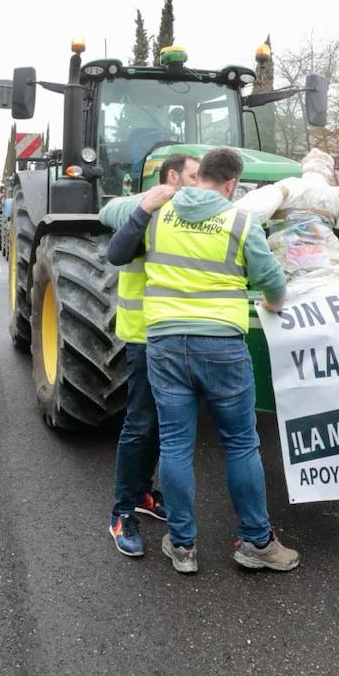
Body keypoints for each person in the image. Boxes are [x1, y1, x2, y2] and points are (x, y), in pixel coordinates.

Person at [104, 148, 297, 576]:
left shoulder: (158, 215)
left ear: (201, 176)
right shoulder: (240, 221)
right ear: (231, 184)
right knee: (241, 443)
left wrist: (142, 206)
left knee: (174, 444)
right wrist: (272, 301)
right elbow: (273, 282)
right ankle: (256, 541)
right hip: (222, 346)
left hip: (166, 345)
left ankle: (184, 546)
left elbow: (117, 252)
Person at [98, 153, 199, 557]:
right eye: (194, 176)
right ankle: (122, 513)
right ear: (172, 177)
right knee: (140, 423)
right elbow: (114, 232)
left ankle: (142, 492)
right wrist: (145, 204)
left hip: (173, 333)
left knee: (161, 422)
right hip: (144, 335)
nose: (200, 182)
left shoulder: (187, 215)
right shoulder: (144, 212)